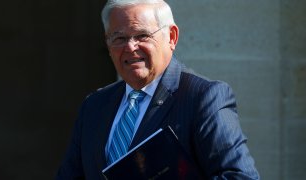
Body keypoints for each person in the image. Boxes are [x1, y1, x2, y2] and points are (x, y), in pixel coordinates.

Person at [56, 0, 260, 179]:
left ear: (171, 37)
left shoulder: (203, 98)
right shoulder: (94, 105)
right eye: (119, 38)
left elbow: (239, 177)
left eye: (142, 35)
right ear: (107, 43)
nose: (131, 47)